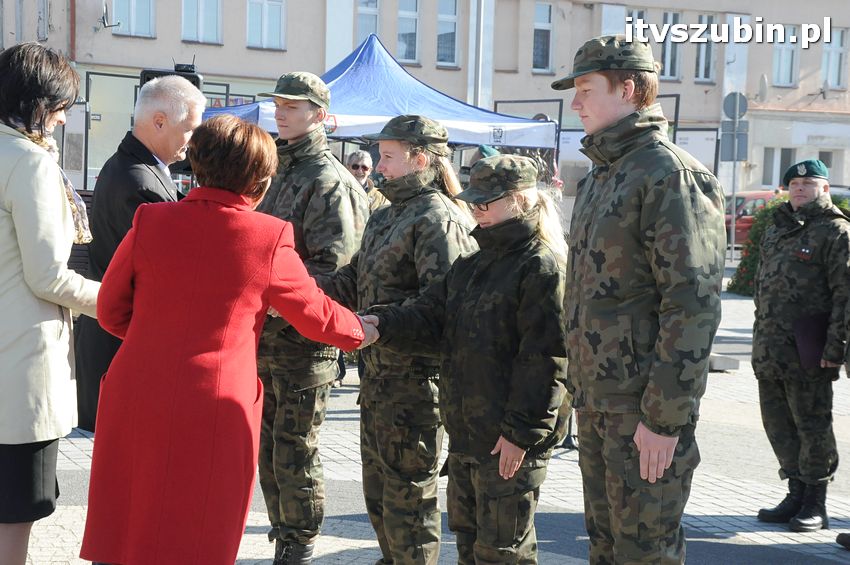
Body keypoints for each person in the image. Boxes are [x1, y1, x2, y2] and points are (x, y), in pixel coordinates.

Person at [79, 115, 377, 565]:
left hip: (137, 387)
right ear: (259, 179)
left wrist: (154, 338)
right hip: (216, 401)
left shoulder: (151, 219)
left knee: (129, 520)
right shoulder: (268, 236)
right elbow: (314, 314)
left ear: (196, 165)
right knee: (198, 531)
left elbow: (110, 311)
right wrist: (363, 329)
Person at [551, 35, 725, 563]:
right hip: (599, 403)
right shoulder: (606, 173)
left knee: (644, 552)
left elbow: (691, 303)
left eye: (585, 89)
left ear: (628, 89)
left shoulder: (668, 174)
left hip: (641, 411)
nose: (575, 103)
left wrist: (663, 418)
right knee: (605, 547)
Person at [363, 155, 570, 564]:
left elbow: (547, 359)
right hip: (468, 435)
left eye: (486, 203)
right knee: (469, 545)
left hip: (508, 440)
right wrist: (377, 322)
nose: (476, 210)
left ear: (520, 201)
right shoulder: (473, 264)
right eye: (474, 201)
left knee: (502, 552)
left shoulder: (541, 267)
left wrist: (521, 434)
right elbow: (429, 313)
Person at [318, 114, 477, 564]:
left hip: (415, 386)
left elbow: (443, 308)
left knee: (409, 504)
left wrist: (379, 323)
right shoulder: (387, 214)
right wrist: (300, 293)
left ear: (419, 158)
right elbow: (354, 278)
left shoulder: (437, 218)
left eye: (387, 156)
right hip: (378, 381)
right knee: (379, 497)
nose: (377, 165)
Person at [254, 71, 370, 564]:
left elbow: (338, 273)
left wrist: (276, 302)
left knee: (295, 451)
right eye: (278, 103)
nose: (281, 111)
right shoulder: (274, 168)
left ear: (319, 115)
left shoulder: (329, 181)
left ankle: (298, 545)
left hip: (304, 342)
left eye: (293, 106)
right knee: (268, 454)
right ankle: (283, 534)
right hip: (265, 339)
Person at [0, 42, 100, 565]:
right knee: (16, 515)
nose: (62, 120)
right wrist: (117, 303)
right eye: (60, 107)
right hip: (20, 368)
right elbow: (49, 277)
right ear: (34, 103)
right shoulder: (29, 162)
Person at [74, 75, 206, 431]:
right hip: (122, 346)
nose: (191, 143)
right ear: (159, 121)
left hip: (113, 338)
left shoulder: (136, 169)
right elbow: (162, 273)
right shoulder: (140, 182)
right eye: (190, 130)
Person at [753, 159, 850, 532]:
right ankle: (794, 492)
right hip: (770, 347)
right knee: (778, 424)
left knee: (812, 425)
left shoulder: (835, 231)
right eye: (793, 183)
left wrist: (834, 348)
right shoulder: (777, 229)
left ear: (824, 188)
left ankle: (815, 501)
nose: (799, 188)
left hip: (810, 348)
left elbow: (844, 294)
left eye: (808, 183)